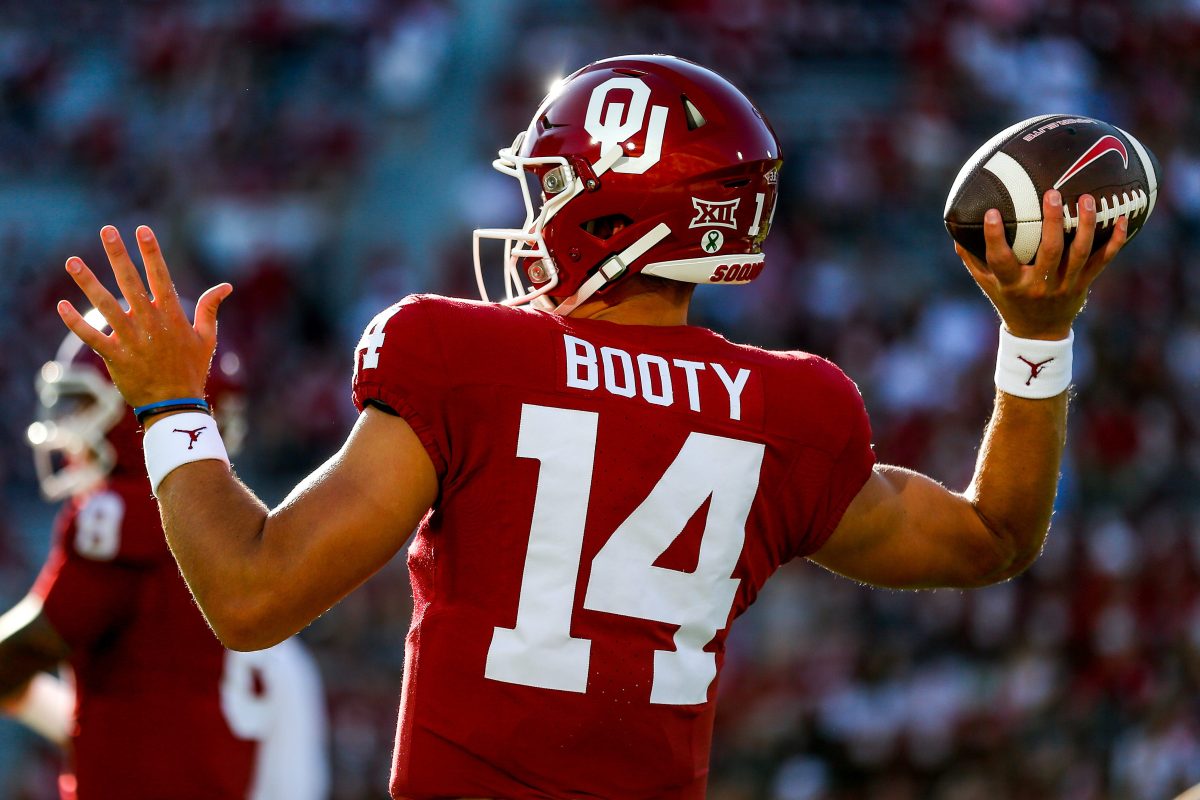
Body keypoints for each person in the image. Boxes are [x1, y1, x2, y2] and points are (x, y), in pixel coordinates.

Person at [55, 54, 1127, 799]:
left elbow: (250, 594)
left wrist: (169, 406)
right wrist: (1037, 332)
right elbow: (995, 535)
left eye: (554, 187)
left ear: (618, 212)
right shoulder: (791, 408)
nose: (533, 219)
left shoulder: (463, 355)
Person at [0, 320, 330, 800]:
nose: (68, 427)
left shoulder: (122, 511)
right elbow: (146, 710)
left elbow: (27, 650)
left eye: (87, 405)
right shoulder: (224, 520)